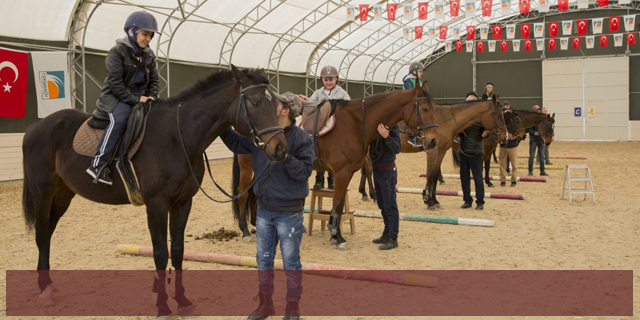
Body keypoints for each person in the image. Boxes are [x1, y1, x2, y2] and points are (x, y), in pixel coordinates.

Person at [221, 92, 314, 320]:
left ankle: (293, 308)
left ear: (286, 111)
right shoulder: (260, 136)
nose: (273, 105)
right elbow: (235, 142)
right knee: (263, 260)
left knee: (291, 262)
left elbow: (304, 173)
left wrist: (286, 159)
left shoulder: (302, 139)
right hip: (264, 211)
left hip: (289, 213)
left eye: (278, 103)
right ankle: (266, 305)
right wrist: (221, 122)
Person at [86, 11, 160, 185]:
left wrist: (152, 96)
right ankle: (98, 164)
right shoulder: (117, 52)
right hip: (115, 98)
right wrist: (136, 100)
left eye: (150, 35)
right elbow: (115, 83)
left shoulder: (149, 55)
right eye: (145, 34)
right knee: (120, 120)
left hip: (140, 98)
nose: (147, 39)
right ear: (132, 31)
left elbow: (155, 80)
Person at [299, 65, 350, 190]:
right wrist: (306, 99)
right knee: (318, 146)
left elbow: (348, 106)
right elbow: (311, 104)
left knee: (335, 151)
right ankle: (319, 177)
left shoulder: (342, 93)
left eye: (331, 79)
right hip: (321, 124)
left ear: (336, 79)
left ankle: (331, 178)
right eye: (326, 80)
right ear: (322, 80)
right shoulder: (318, 93)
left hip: (336, 126)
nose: (328, 82)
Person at [369, 123, 401, 250]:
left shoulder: (394, 126)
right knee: (382, 204)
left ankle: (393, 238)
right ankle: (387, 233)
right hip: (377, 168)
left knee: (390, 204)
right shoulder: (375, 125)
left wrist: (386, 136)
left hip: (388, 170)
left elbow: (397, 148)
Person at [458, 91, 488, 210]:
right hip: (463, 151)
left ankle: (480, 202)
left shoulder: (481, 116)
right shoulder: (461, 115)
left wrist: (486, 133)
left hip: (476, 151)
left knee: (478, 178)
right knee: (464, 178)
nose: (469, 103)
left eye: (472, 101)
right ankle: (467, 200)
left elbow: (488, 129)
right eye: (468, 101)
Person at [402, 61, 425, 148]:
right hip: (408, 103)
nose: (421, 73)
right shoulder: (408, 81)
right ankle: (412, 137)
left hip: (416, 102)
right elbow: (412, 94)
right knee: (412, 116)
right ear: (414, 71)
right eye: (420, 71)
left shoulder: (419, 81)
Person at [498, 101, 519, 187]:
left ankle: (513, 180)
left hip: (513, 145)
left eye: (508, 108)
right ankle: (503, 180)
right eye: (505, 109)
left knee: (514, 164)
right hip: (503, 145)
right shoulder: (500, 121)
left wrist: (515, 136)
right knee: (501, 164)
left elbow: (519, 130)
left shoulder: (514, 120)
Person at [527, 105, 548, 177]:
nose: (538, 111)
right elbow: (528, 129)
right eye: (537, 110)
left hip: (541, 139)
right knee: (532, 156)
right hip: (533, 139)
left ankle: (542, 171)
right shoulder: (530, 120)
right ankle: (530, 171)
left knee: (542, 156)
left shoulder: (542, 120)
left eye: (539, 110)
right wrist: (533, 133)